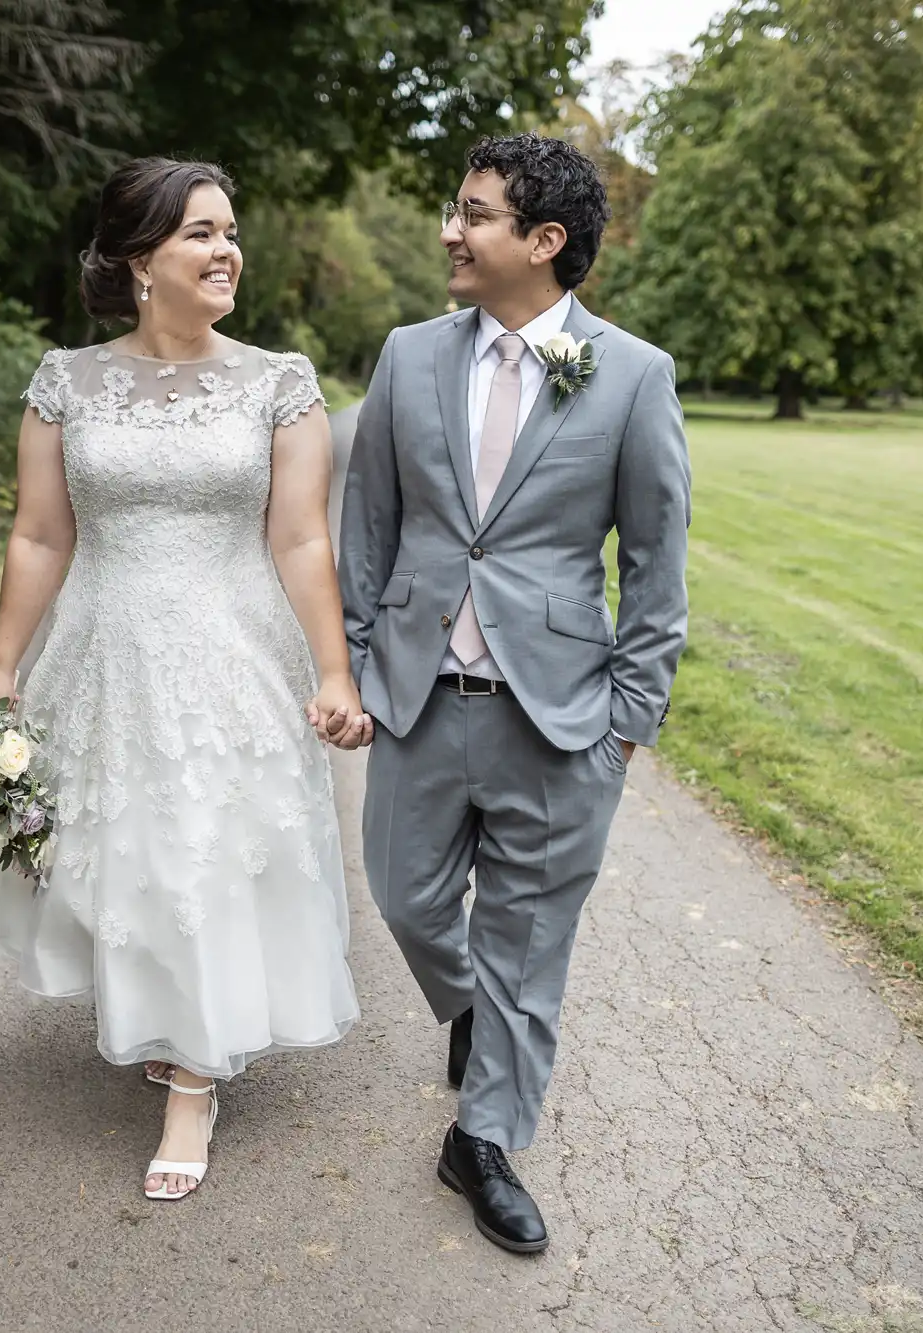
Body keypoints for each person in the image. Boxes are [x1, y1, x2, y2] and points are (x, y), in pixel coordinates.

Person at [0, 157, 365, 1202]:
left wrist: (332, 669)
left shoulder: (277, 383)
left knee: (206, 849)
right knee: (128, 848)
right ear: (141, 259)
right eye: (201, 231)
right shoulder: (66, 382)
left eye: (230, 230)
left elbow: (299, 542)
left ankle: (194, 1083)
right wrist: (3, 665)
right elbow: (38, 534)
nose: (227, 248)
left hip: (229, 653)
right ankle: (168, 1014)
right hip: (101, 649)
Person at [337, 134, 691, 1253]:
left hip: (559, 718)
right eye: (455, 209)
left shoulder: (632, 376)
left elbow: (655, 560)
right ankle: (472, 1013)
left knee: (530, 942)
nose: (451, 230)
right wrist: (350, 664)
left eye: (474, 214)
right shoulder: (406, 355)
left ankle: (481, 1138)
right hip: (421, 699)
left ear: (543, 243)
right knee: (402, 897)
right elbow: (371, 529)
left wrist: (625, 726)